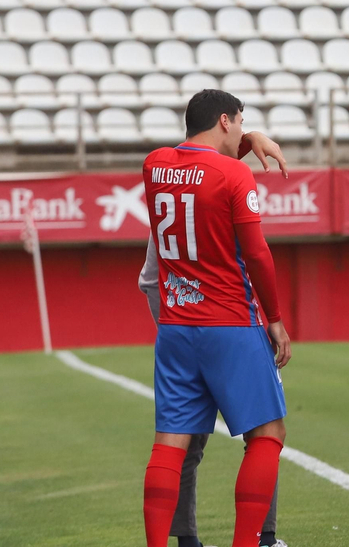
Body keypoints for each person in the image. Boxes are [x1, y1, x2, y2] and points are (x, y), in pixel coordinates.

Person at [140, 90, 291, 547]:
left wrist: (250, 139)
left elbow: (194, 162)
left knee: (171, 441)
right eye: (241, 122)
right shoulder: (234, 174)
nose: (244, 130)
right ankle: (252, 543)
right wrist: (277, 318)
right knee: (268, 433)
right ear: (225, 120)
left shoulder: (153, 165)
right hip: (230, 323)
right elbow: (258, 254)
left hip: (175, 327)